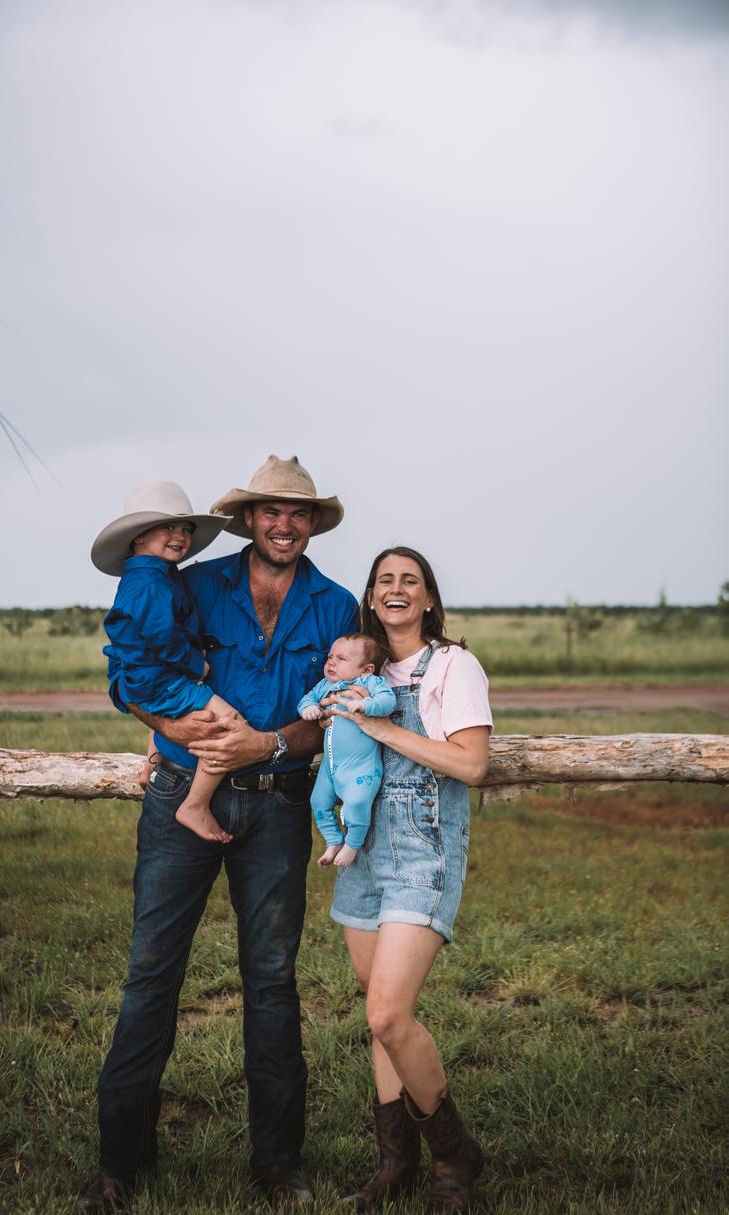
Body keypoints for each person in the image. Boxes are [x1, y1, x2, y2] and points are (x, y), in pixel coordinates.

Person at [77, 455, 358, 1211]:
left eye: (298, 513)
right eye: (271, 511)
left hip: (276, 804)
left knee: (271, 980)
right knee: (150, 976)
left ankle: (279, 1160)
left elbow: (337, 715)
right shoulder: (193, 584)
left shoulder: (336, 606)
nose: (284, 524)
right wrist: (166, 724)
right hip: (180, 799)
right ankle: (119, 1165)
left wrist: (266, 744)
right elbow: (123, 668)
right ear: (247, 518)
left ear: (312, 523)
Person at [328, 546, 492, 1215]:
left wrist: (380, 727)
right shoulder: (358, 666)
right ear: (370, 595)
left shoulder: (454, 665)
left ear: (428, 598)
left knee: (388, 1013)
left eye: (410, 581)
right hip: (363, 855)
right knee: (378, 1019)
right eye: (384, 580)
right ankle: (396, 1160)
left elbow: (471, 763)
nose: (396, 589)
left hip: (423, 855)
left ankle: (454, 1158)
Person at [91, 480, 239, 843]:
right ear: (138, 536)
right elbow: (162, 637)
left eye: (184, 528)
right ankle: (196, 803)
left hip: (149, 675)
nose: (180, 536)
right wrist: (195, 664)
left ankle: (153, 763)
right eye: (167, 527)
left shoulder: (151, 574)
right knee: (228, 723)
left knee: (178, 709)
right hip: (160, 677)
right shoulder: (150, 584)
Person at [297, 634, 395, 868]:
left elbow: (387, 701)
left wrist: (366, 705)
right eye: (330, 656)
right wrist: (309, 708)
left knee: (357, 802)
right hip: (330, 766)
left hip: (360, 765)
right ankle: (333, 840)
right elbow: (307, 699)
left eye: (341, 658)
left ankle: (352, 843)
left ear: (366, 669)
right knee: (318, 801)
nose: (331, 662)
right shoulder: (325, 686)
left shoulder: (371, 684)